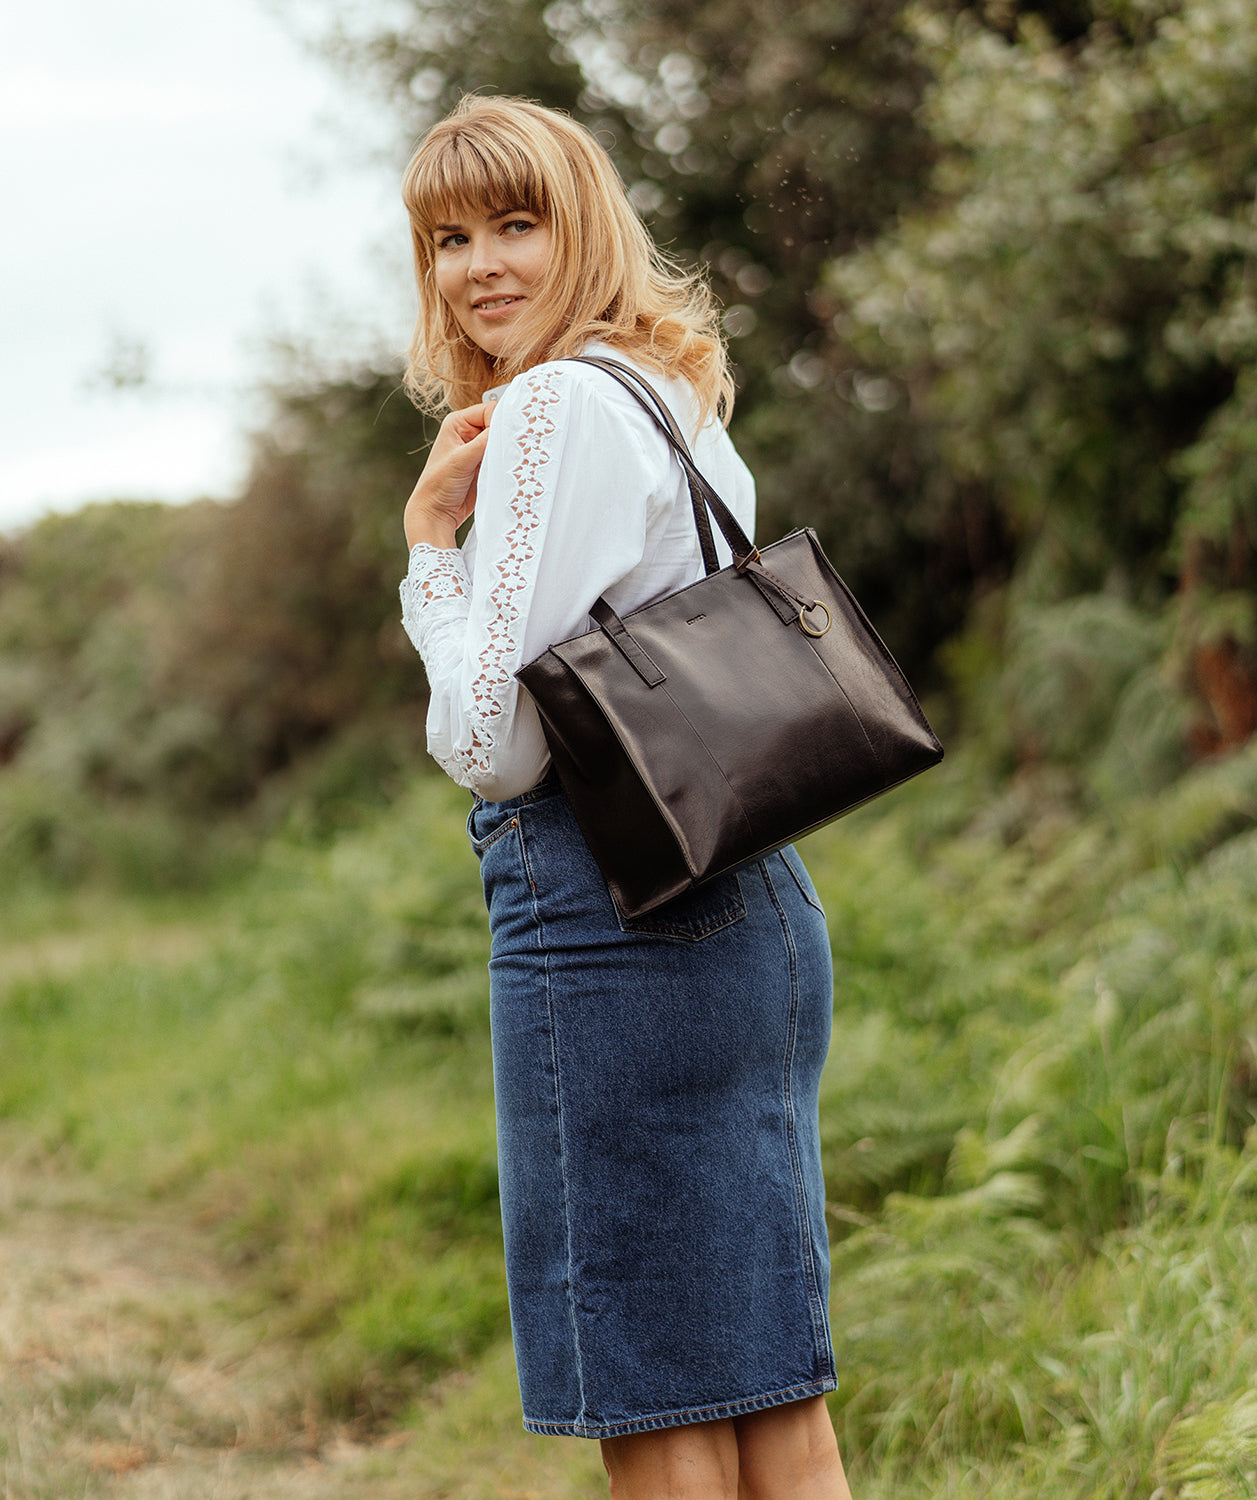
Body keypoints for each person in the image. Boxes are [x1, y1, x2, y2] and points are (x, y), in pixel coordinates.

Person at [397, 94, 853, 1500]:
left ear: (582, 222)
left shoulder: (547, 406)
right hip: (750, 909)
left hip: (612, 923)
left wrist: (427, 550)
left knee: (656, 1395)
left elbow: (498, 742)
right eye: (448, 238)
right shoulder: (668, 392)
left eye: (516, 224)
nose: (480, 267)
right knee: (769, 1385)